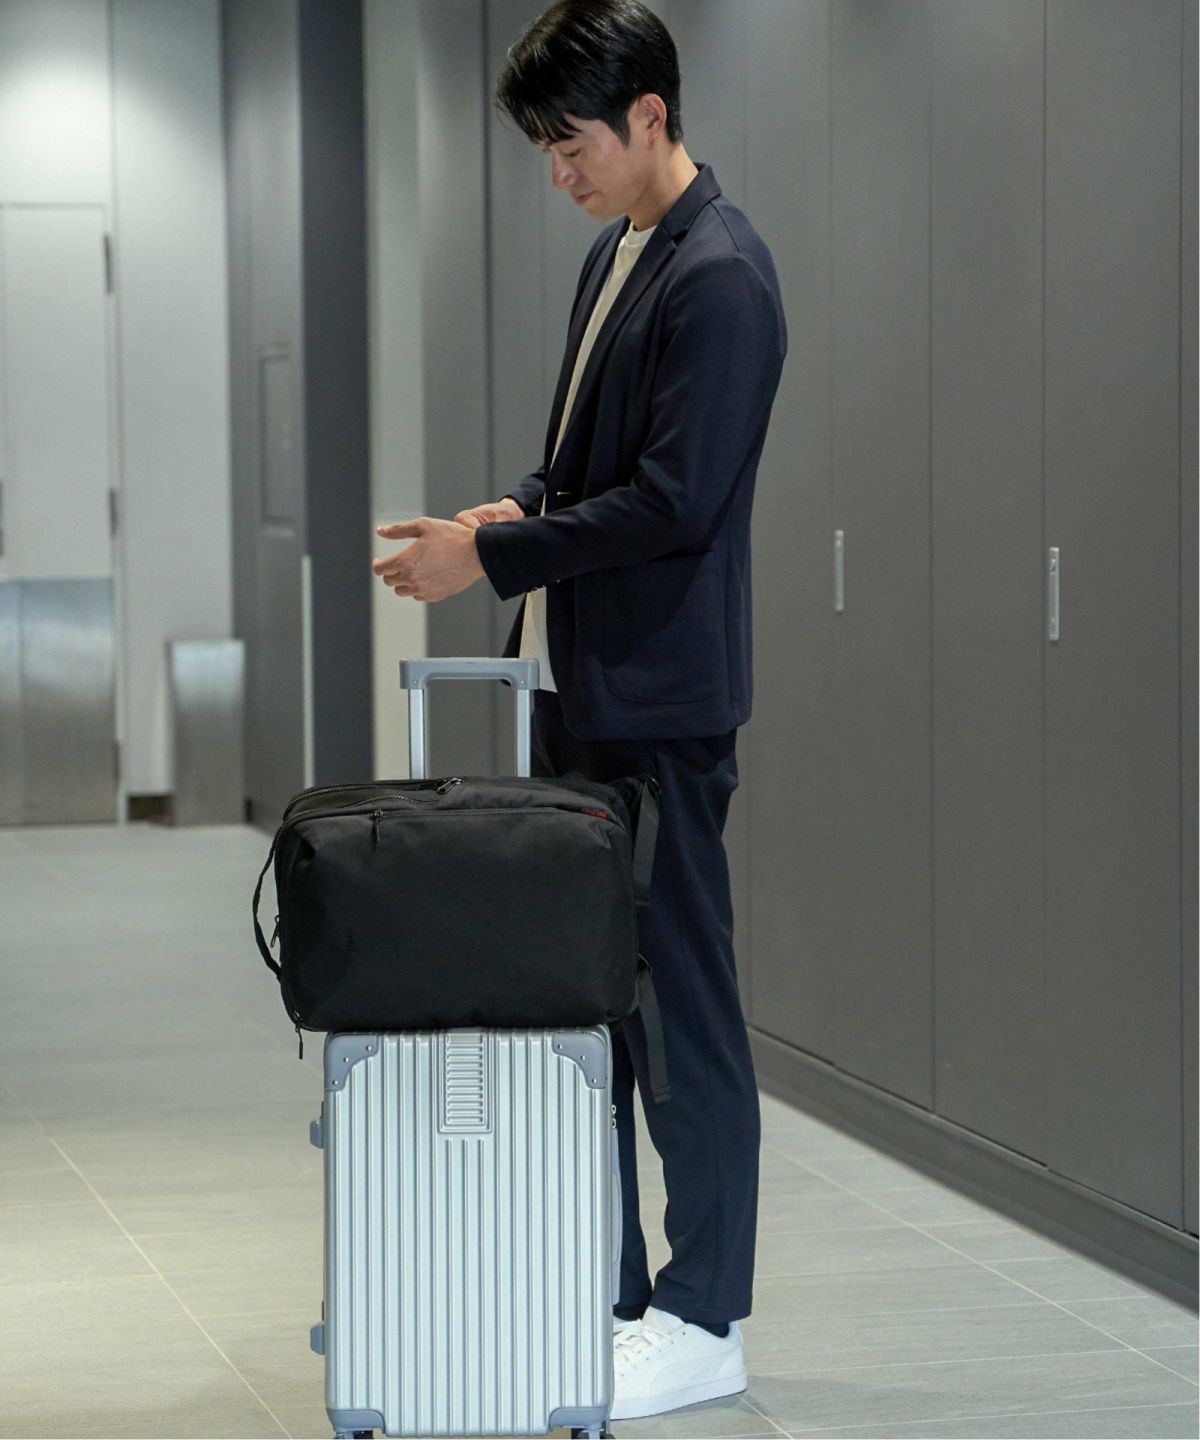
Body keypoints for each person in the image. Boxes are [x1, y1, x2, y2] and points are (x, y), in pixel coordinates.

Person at [371, 0, 787, 1420]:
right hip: (579, 689)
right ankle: (609, 1298)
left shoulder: (721, 275)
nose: (559, 174)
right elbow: (588, 469)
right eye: (547, 151)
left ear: (651, 117)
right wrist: (515, 510)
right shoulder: (620, 254)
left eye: (573, 147)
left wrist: (489, 559)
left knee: (683, 1013)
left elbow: (675, 504)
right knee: (593, 1004)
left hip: (660, 706)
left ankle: (705, 1315)